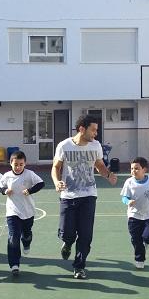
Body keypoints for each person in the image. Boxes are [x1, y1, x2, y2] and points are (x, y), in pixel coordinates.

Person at [51, 114, 118, 279]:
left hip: (89, 195)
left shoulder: (95, 146)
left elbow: (99, 165)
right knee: (67, 232)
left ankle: (79, 266)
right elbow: (56, 167)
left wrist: (109, 175)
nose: (96, 133)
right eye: (93, 130)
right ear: (82, 128)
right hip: (68, 195)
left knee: (86, 235)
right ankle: (67, 243)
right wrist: (56, 182)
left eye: (97, 130)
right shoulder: (64, 145)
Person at [0, 151, 45, 275]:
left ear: (25, 164)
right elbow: (1, 186)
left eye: (21, 164)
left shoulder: (29, 174)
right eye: (15, 164)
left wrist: (30, 191)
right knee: (13, 237)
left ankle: (26, 242)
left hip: (28, 210)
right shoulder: (7, 176)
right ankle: (14, 264)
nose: (18, 167)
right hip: (12, 211)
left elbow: (41, 183)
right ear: (11, 163)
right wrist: (5, 191)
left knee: (26, 234)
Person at [120, 157, 149, 269]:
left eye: (136, 168)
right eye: (132, 169)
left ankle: (148, 242)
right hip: (134, 216)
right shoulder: (129, 182)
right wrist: (128, 201)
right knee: (136, 239)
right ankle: (139, 259)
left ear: (144, 170)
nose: (133, 171)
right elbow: (124, 197)